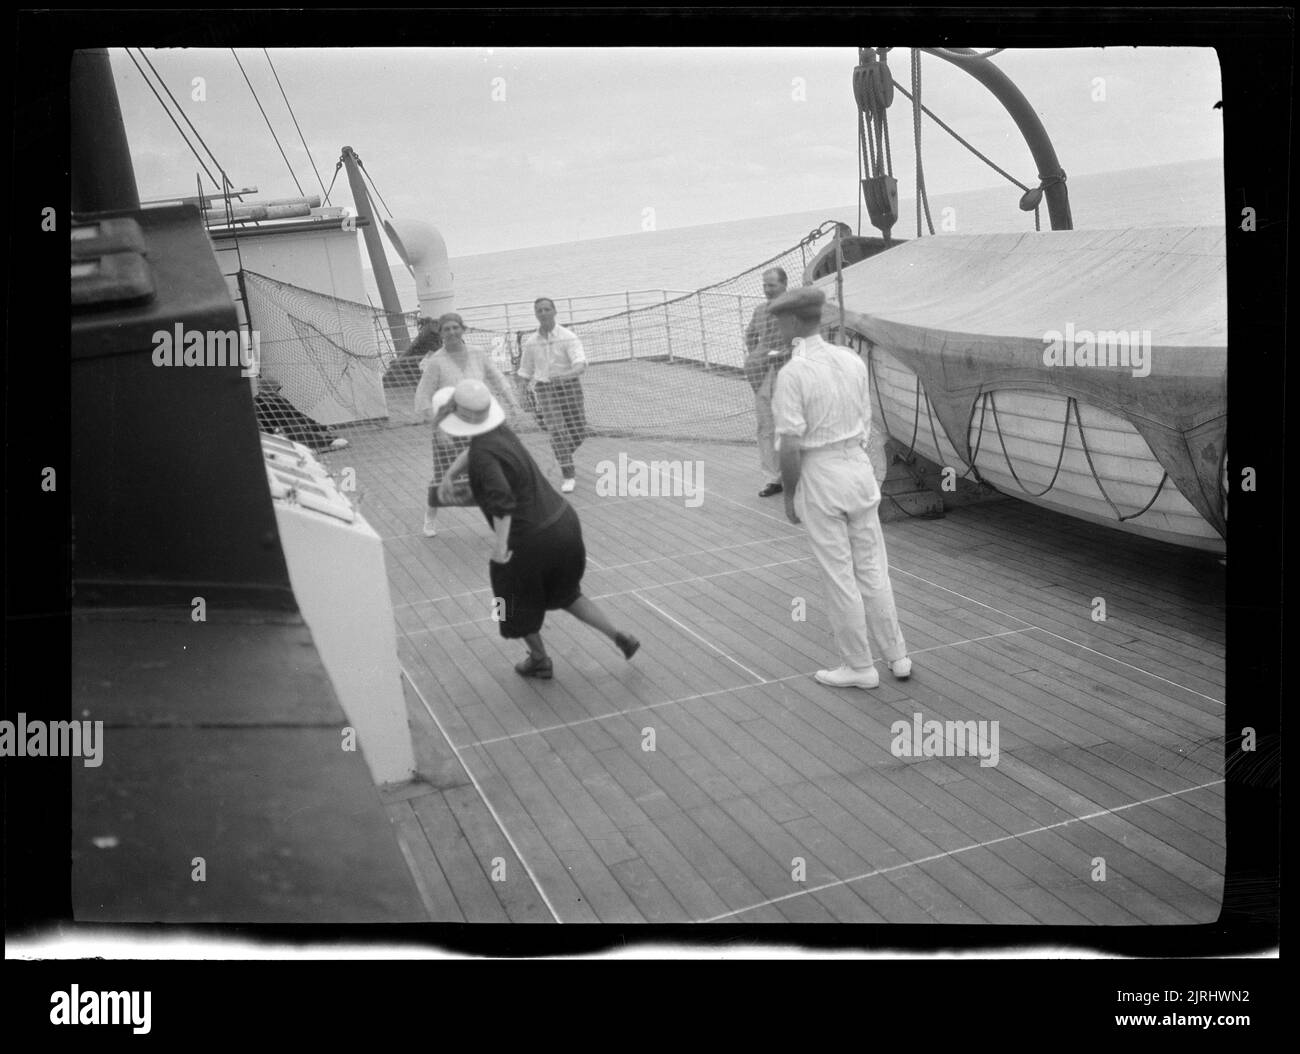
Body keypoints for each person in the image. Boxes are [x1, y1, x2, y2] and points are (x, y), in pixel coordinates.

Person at [435, 378, 639, 678]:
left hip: (527, 540)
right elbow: (476, 451)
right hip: (563, 525)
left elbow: (502, 502)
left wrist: (499, 550)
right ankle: (619, 634)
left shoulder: (482, 456)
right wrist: (451, 474)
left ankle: (539, 659)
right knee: (567, 594)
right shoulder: (499, 432)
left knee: (507, 603)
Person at [769, 285, 911, 689]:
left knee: (839, 576)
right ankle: (897, 656)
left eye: (780, 319)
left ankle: (859, 667)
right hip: (858, 468)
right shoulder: (851, 360)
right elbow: (866, 422)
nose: (778, 325)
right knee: (873, 569)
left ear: (795, 321)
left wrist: (790, 496)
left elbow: (791, 445)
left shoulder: (793, 373)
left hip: (821, 473)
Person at [415, 312, 521, 537]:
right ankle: (430, 518)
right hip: (449, 425)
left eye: (455, 328)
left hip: (480, 424)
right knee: (443, 475)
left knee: (488, 473)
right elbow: (423, 397)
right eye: (446, 329)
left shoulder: (478, 353)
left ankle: (499, 520)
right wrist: (437, 427)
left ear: (463, 329)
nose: (452, 332)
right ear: (441, 333)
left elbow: (496, 378)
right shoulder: (436, 362)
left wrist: (512, 404)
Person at [518, 297, 588, 493]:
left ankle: (562, 453)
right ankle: (568, 474)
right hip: (545, 389)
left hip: (569, 387)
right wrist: (522, 393)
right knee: (557, 431)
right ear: (535, 314)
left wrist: (565, 375)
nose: (543, 313)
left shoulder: (568, 336)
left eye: (547, 309)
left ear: (555, 311)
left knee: (579, 431)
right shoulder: (532, 342)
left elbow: (580, 365)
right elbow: (524, 371)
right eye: (539, 310)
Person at [743, 267, 794, 498]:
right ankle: (773, 478)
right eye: (764, 285)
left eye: (771, 285)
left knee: (791, 426)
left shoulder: (795, 309)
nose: (767, 290)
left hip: (789, 375)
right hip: (765, 374)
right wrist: (759, 355)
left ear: (784, 284)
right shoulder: (761, 310)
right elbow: (750, 335)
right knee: (765, 426)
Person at [253, 376, 349, 452]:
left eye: (277, 391)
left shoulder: (280, 401)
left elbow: (298, 416)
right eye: (275, 390)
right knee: (292, 426)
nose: (277, 393)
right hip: (270, 436)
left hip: (288, 432)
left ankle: (326, 441)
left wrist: (321, 428)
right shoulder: (257, 403)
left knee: (293, 425)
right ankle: (326, 442)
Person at [384, 315, 440, 388]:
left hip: (408, 365)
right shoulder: (427, 337)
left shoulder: (425, 333)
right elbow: (438, 349)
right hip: (404, 366)